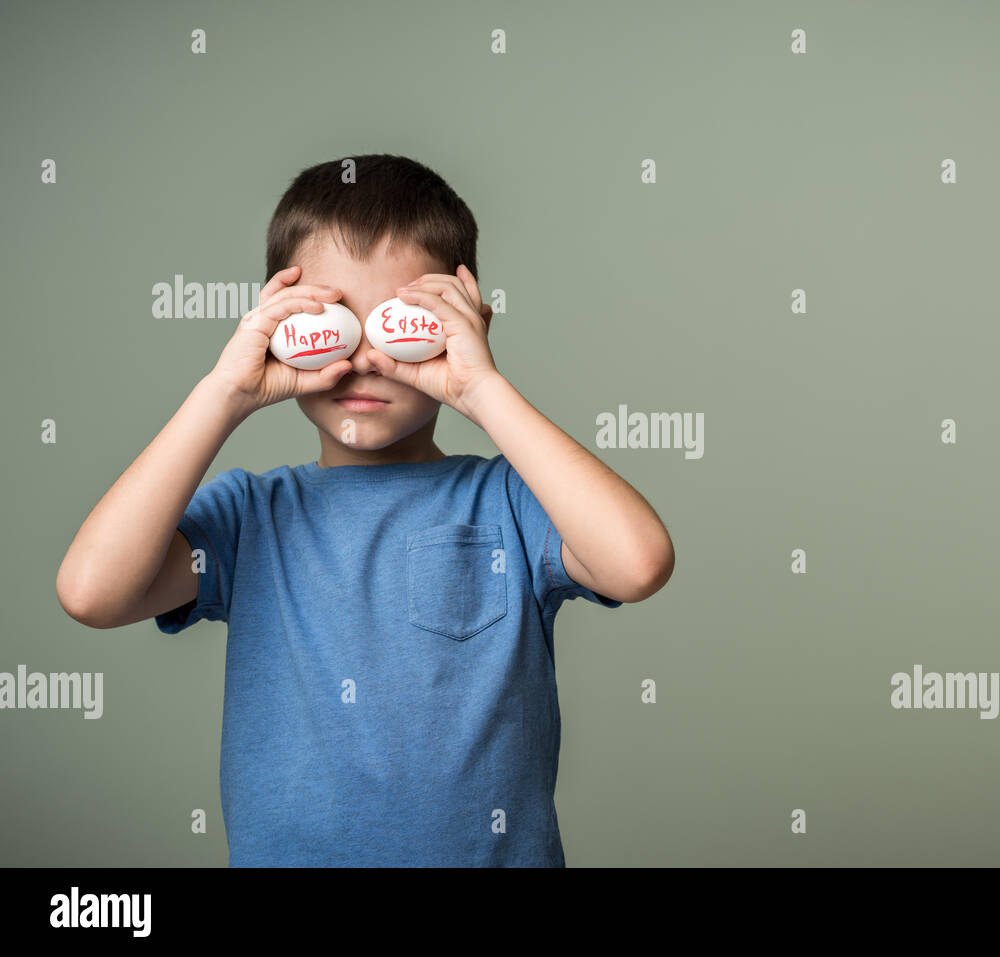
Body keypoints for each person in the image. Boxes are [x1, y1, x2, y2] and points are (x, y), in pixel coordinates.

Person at [55, 154, 675, 866]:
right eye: (329, 317)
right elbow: (90, 590)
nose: (363, 355)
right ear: (274, 322)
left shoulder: (511, 503)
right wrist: (223, 391)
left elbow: (639, 562)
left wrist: (481, 388)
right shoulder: (251, 516)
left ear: (469, 322)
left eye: (398, 320)